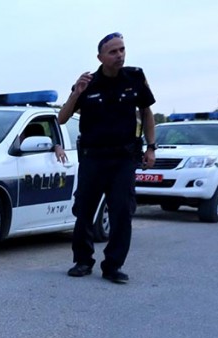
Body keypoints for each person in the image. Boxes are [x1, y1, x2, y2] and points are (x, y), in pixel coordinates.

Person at [58, 32, 156, 283]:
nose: (119, 55)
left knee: (122, 213)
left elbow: (146, 112)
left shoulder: (134, 77)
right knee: (84, 211)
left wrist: (151, 147)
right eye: (113, 52)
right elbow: (62, 118)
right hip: (93, 158)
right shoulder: (88, 82)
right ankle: (82, 260)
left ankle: (113, 266)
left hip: (123, 158)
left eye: (122, 49)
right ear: (100, 57)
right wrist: (76, 93)